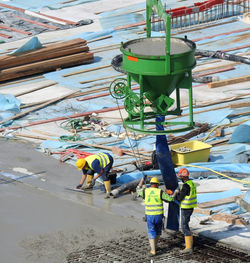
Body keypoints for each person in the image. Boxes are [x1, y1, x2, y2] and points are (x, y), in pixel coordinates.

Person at [137, 176, 175, 256]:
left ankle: (153, 250)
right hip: (159, 216)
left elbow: (137, 190)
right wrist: (174, 193)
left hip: (150, 216)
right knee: (158, 231)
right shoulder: (160, 192)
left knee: (151, 231)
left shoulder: (145, 191)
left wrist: (142, 180)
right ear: (157, 184)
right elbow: (170, 199)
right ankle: (155, 246)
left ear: (150, 184)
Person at [174, 168, 197, 253]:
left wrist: (175, 194)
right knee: (185, 225)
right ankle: (188, 244)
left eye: (180, 176)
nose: (179, 177)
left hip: (186, 208)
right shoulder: (191, 183)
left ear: (183, 177)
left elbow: (180, 198)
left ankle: (189, 247)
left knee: (184, 226)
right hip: (190, 207)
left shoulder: (186, 185)